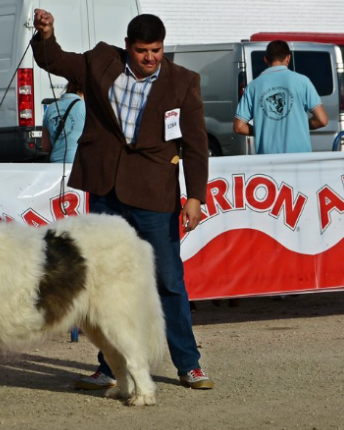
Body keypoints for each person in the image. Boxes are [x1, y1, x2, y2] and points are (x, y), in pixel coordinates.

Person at [32, 10, 214, 390]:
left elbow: (196, 147)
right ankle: (110, 366)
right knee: (103, 283)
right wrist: (46, 34)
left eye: (157, 50)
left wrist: (195, 196)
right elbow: (54, 60)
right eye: (143, 50)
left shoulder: (184, 82)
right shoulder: (102, 60)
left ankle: (188, 364)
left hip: (155, 195)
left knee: (167, 281)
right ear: (128, 46)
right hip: (105, 191)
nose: (151, 57)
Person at [233, 40, 328, 154]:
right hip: (300, 159)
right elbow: (322, 120)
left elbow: (239, 127)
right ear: (288, 58)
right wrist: (300, 125)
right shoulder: (303, 82)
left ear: (266, 59)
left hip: (268, 159)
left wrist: (260, 130)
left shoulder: (253, 86)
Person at [42, 81, 85, 163]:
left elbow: (46, 146)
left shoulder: (50, 108)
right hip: (77, 164)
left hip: (55, 165)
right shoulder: (84, 107)